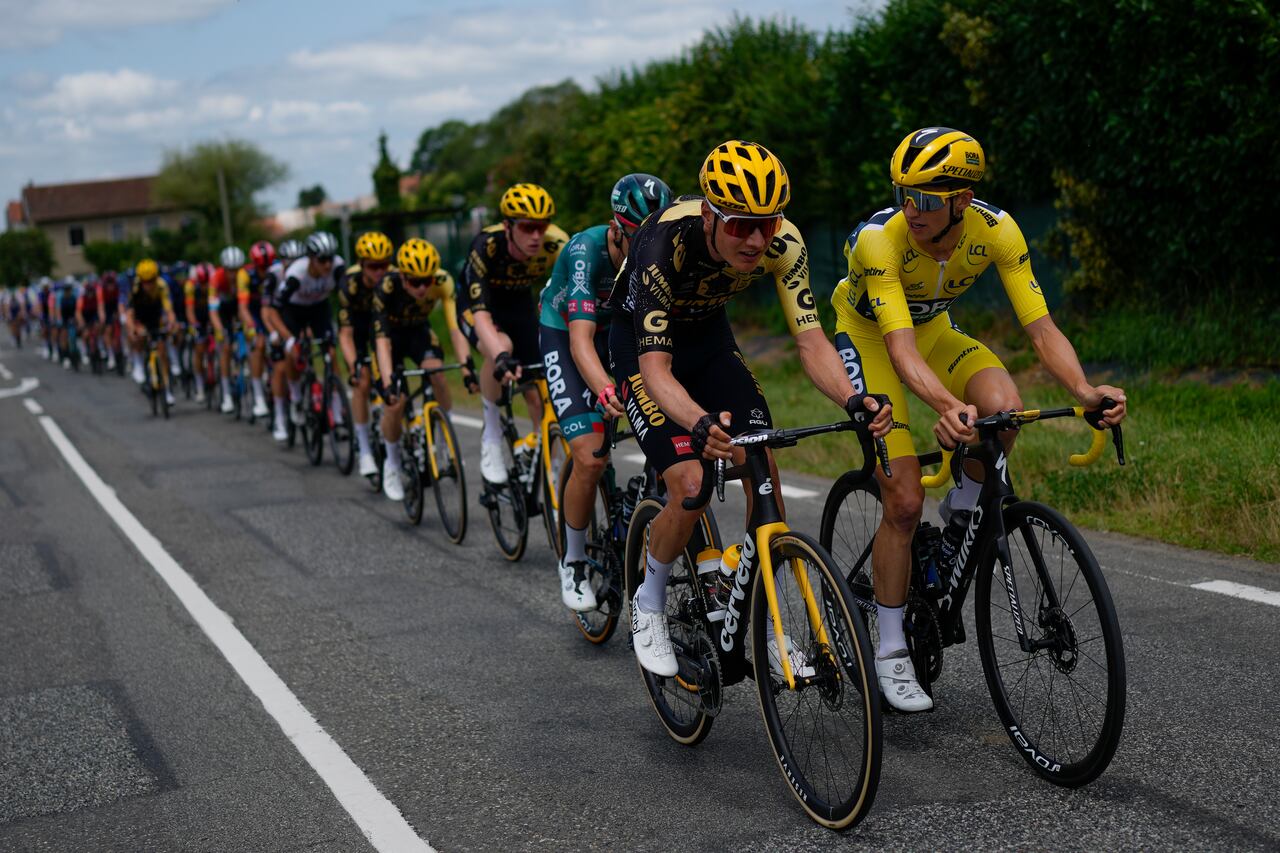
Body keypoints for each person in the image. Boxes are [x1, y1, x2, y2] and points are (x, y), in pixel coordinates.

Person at [831, 126, 1128, 711]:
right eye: (901, 193)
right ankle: (889, 651)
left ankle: (962, 515)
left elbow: (1040, 328)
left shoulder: (997, 231)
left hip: (936, 333)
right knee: (905, 501)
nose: (908, 209)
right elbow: (899, 352)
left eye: (923, 198)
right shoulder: (880, 242)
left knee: (1003, 411)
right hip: (870, 339)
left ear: (961, 202)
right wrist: (945, 407)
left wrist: (1084, 389)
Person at [610, 139, 893, 679]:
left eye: (768, 222)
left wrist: (854, 398)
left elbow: (811, 342)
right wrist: (697, 423)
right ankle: (647, 604)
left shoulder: (784, 244)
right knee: (691, 483)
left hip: (709, 337)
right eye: (741, 225)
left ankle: (764, 620)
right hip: (642, 348)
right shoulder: (663, 243)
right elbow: (656, 372)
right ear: (711, 216)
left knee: (762, 466)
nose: (757, 239)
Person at [538, 172, 672, 610]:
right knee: (591, 455)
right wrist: (602, 389)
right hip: (566, 331)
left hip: (616, 334)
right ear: (616, 229)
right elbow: (580, 341)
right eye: (639, 236)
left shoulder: (661, 254)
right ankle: (573, 560)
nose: (650, 246)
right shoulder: (585, 250)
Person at [457, 183, 568, 483]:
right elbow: (480, 314)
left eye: (542, 226)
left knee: (540, 387)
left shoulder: (556, 244)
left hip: (519, 304)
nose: (536, 235)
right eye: (528, 227)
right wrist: (502, 355)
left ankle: (547, 460)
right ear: (507, 226)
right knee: (500, 347)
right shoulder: (486, 246)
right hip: (479, 305)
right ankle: (491, 437)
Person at [372, 238, 472, 500]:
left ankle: (443, 437)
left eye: (426, 280)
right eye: (415, 282)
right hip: (390, 338)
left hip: (418, 332)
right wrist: (386, 381)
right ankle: (391, 464)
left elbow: (455, 327)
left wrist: (465, 366)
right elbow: (381, 342)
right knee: (395, 401)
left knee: (437, 373)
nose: (422, 287)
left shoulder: (443, 282)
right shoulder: (386, 286)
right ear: (402, 276)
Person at [271, 232, 344, 442]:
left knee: (331, 353)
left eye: (330, 258)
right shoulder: (296, 274)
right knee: (294, 353)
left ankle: (338, 415)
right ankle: (295, 397)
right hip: (293, 312)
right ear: (310, 259)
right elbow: (274, 309)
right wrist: (286, 337)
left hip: (319, 309)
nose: (328, 264)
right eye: (322, 259)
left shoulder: (338, 267)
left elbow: (348, 294)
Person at [338, 231, 395, 478]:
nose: (380, 271)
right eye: (373, 267)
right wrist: (352, 366)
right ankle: (364, 449)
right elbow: (345, 334)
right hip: (358, 329)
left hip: (383, 328)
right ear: (361, 264)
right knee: (361, 381)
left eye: (384, 265)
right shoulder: (349, 283)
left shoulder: (393, 278)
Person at [125, 258, 177, 405]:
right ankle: (139, 365)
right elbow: (129, 313)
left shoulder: (162, 286)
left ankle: (166, 390)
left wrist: (172, 322)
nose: (148, 285)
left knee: (162, 350)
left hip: (156, 315)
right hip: (141, 316)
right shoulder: (136, 288)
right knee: (138, 336)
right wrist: (132, 329)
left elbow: (169, 310)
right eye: (145, 281)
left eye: (151, 280)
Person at [238, 241, 278, 418]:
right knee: (259, 345)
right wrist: (252, 328)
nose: (265, 271)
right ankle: (259, 396)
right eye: (262, 267)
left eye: (268, 266)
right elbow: (243, 307)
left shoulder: (277, 269)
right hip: (253, 313)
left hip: (271, 311)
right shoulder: (245, 274)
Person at [211, 246, 246, 413]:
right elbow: (213, 311)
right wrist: (220, 330)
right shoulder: (216, 278)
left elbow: (244, 306)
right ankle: (226, 393)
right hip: (221, 311)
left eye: (236, 270)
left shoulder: (243, 277)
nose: (233, 274)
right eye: (230, 270)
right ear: (224, 269)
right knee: (225, 348)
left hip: (238, 308)